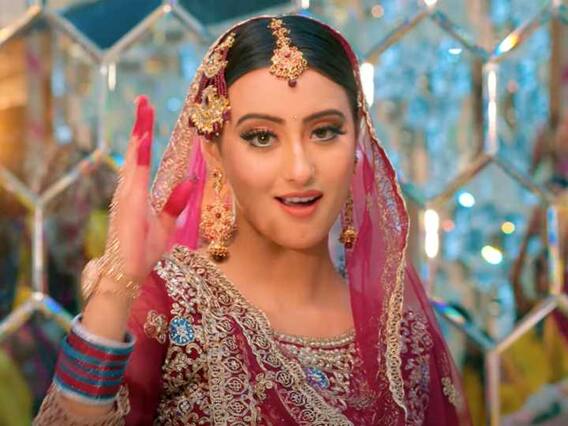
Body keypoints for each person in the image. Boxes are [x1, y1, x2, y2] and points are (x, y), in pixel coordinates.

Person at [33, 15, 471, 425]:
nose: (299, 169)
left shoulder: (402, 338)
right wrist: (116, 287)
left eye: (324, 131)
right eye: (261, 137)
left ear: (358, 140)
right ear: (214, 152)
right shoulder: (169, 305)